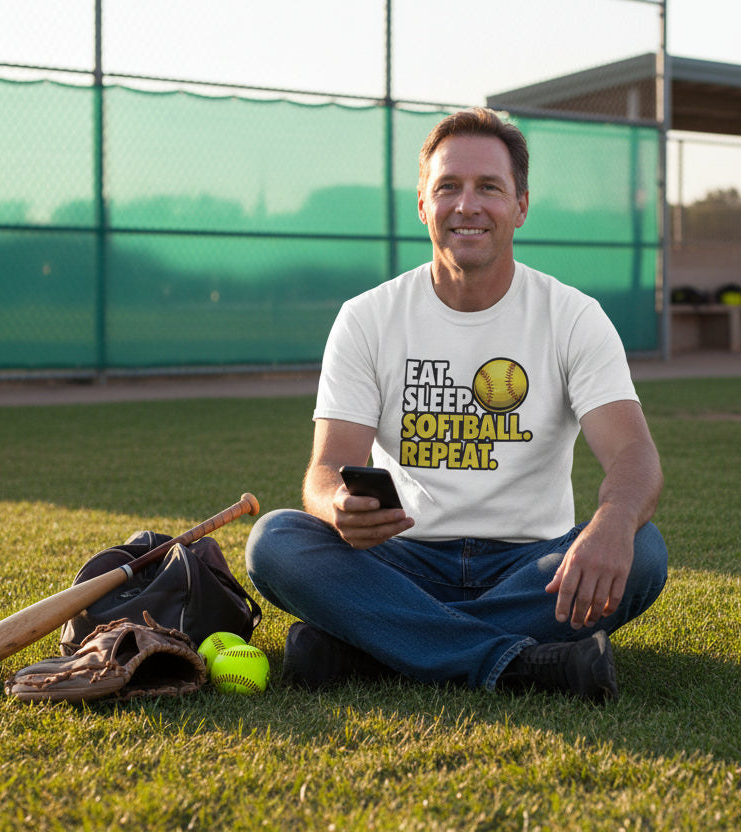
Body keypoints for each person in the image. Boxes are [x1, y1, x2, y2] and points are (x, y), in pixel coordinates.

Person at [244, 107, 667, 703]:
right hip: (398, 561)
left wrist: (613, 523)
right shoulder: (368, 318)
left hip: (531, 568)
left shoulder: (572, 316)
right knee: (277, 540)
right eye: (448, 187)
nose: (467, 205)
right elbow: (326, 468)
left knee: (643, 550)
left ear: (520, 205)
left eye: (488, 188)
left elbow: (633, 454)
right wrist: (336, 504)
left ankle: (372, 645)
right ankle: (520, 663)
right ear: (423, 204)